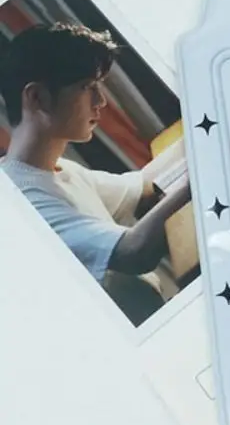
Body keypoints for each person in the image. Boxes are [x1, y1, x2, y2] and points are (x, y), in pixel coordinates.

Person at [0, 22, 191, 324]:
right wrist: (196, 182)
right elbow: (134, 251)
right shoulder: (19, 199)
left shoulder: (53, 169)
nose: (101, 101)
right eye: (87, 87)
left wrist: (204, 132)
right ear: (37, 98)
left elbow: (142, 185)